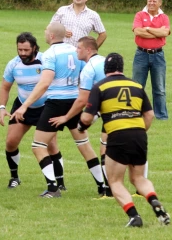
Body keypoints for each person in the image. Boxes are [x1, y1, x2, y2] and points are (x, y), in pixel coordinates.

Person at [10, 22, 106, 197]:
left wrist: (24, 106)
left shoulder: (49, 54)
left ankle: (53, 188)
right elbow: (86, 75)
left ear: (52, 36)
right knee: (84, 145)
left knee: (38, 145)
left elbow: (45, 83)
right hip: (75, 101)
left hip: (56, 103)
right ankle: (102, 186)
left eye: (46, 31)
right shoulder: (75, 50)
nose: (45, 33)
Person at [78, 53, 170, 228]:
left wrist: (81, 126)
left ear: (105, 69)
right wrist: (140, 131)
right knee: (138, 178)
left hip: (118, 136)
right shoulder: (136, 85)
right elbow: (149, 114)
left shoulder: (99, 87)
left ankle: (134, 216)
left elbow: (87, 118)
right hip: (139, 135)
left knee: (115, 181)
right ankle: (154, 200)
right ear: (122, 68)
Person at [47, 35, 112, 197]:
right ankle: (108, 187)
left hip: (111, 113)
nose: (76, 50)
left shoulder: (89, 69)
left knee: (105, 150)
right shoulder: (105, 61)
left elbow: (82, 99)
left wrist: (66, 117)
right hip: (120, 108)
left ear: (88, 50)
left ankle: (109, 190)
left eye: (79, 48)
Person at [0, 32, 46, 189]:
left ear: (34, 48)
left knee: (50, 145)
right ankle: (14, 177)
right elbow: (5, 87)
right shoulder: (13, 64)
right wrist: (2, 108)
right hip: (22, 107)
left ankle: (58, 183)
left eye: (26, 50)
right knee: (11, 142)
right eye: (20, 50)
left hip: (45, 107)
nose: (23, 53)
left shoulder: (45, 61)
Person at [132, 0, 171, 120]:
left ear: (160, 3)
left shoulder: (164, 17)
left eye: (154, 1)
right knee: (137, 86)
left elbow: (165, 33)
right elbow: (137, 31)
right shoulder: (139, 14)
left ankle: (161, 115)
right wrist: (156, 32)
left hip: (158, 55)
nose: (151, 3)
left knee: (159, 88)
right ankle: (135, 113)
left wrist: (147, 28)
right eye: (150, 1)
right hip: (141, 54)